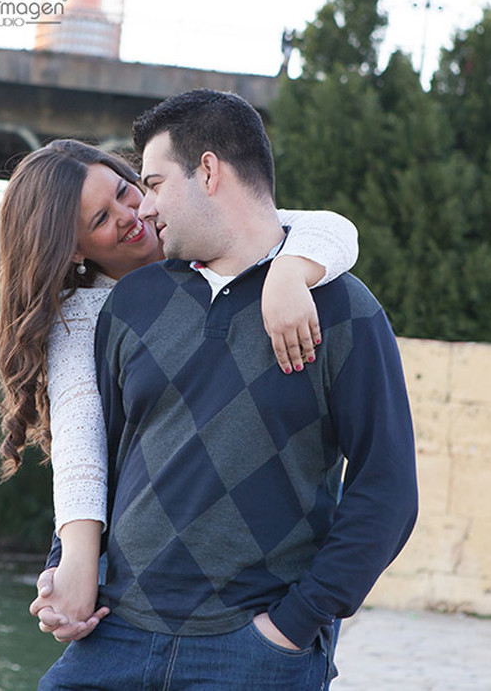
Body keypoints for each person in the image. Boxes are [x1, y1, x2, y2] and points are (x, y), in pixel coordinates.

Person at [33, 89, 418, 690]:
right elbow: (97, 458)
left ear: (208, 171)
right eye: (105, 219)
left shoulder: (344, 310)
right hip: (115, 642)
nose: (145, 211)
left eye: (150, 185)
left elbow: (388, 489)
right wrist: (66, 566)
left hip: (254, 655)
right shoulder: (130, 306)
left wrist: (294, 626)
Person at [0, 139, 360, 640]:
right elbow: (81, 442)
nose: (130, 213)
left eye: (124, 190)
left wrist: (289, 271)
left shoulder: (201, 239)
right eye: (100, 219)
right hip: (141, 597)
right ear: (72, 249)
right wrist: (73, 566)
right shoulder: (82, 319)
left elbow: (331, 228)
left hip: (262, 590)